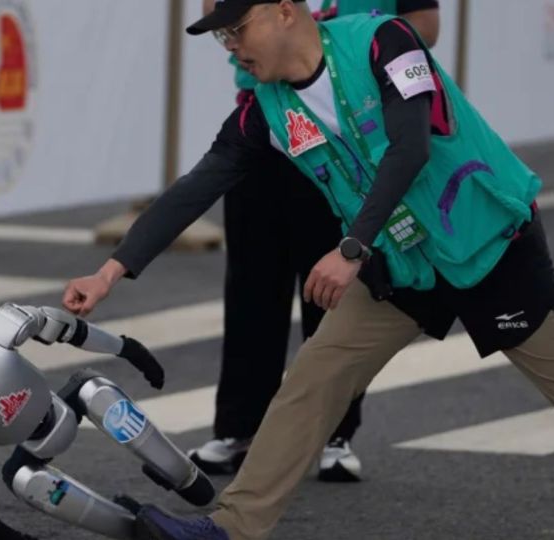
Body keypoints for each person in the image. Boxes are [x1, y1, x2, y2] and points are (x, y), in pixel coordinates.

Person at [62, 2, 554, 539]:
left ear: (285, 11)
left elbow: (411, 146)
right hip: (402, 263)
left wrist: (350, 248)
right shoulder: (265, 108)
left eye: (237, 28)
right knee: (313, 380)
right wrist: (110, 273)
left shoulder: (383, 41)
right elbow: (198, 186)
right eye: (221, 36)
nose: (231, 47)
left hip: (487, 244)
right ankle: (232, 529)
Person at [191, 0, 439, 484]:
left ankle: (334, 432)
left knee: (334, 291)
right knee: (251, 289)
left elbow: (425, 27)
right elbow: (215, 8)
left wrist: (331, 40)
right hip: (267, 115)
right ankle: (240, 428)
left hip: (341, 126)